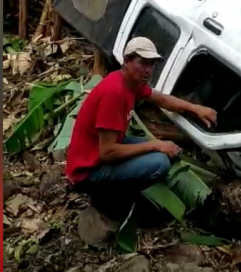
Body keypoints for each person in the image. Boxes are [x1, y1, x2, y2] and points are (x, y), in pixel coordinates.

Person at [65, 37, 217, 200]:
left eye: (151, 64)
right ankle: (112, 200)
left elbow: (163, 100)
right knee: (160, 163)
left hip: (100, 153)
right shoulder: (114, 93)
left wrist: (195, 109)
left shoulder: (130, 83)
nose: (148, 70)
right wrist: (154, 145)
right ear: (126, 61)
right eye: (143, 63)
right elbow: (107, 152)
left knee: (168, 150)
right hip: (88, 171)